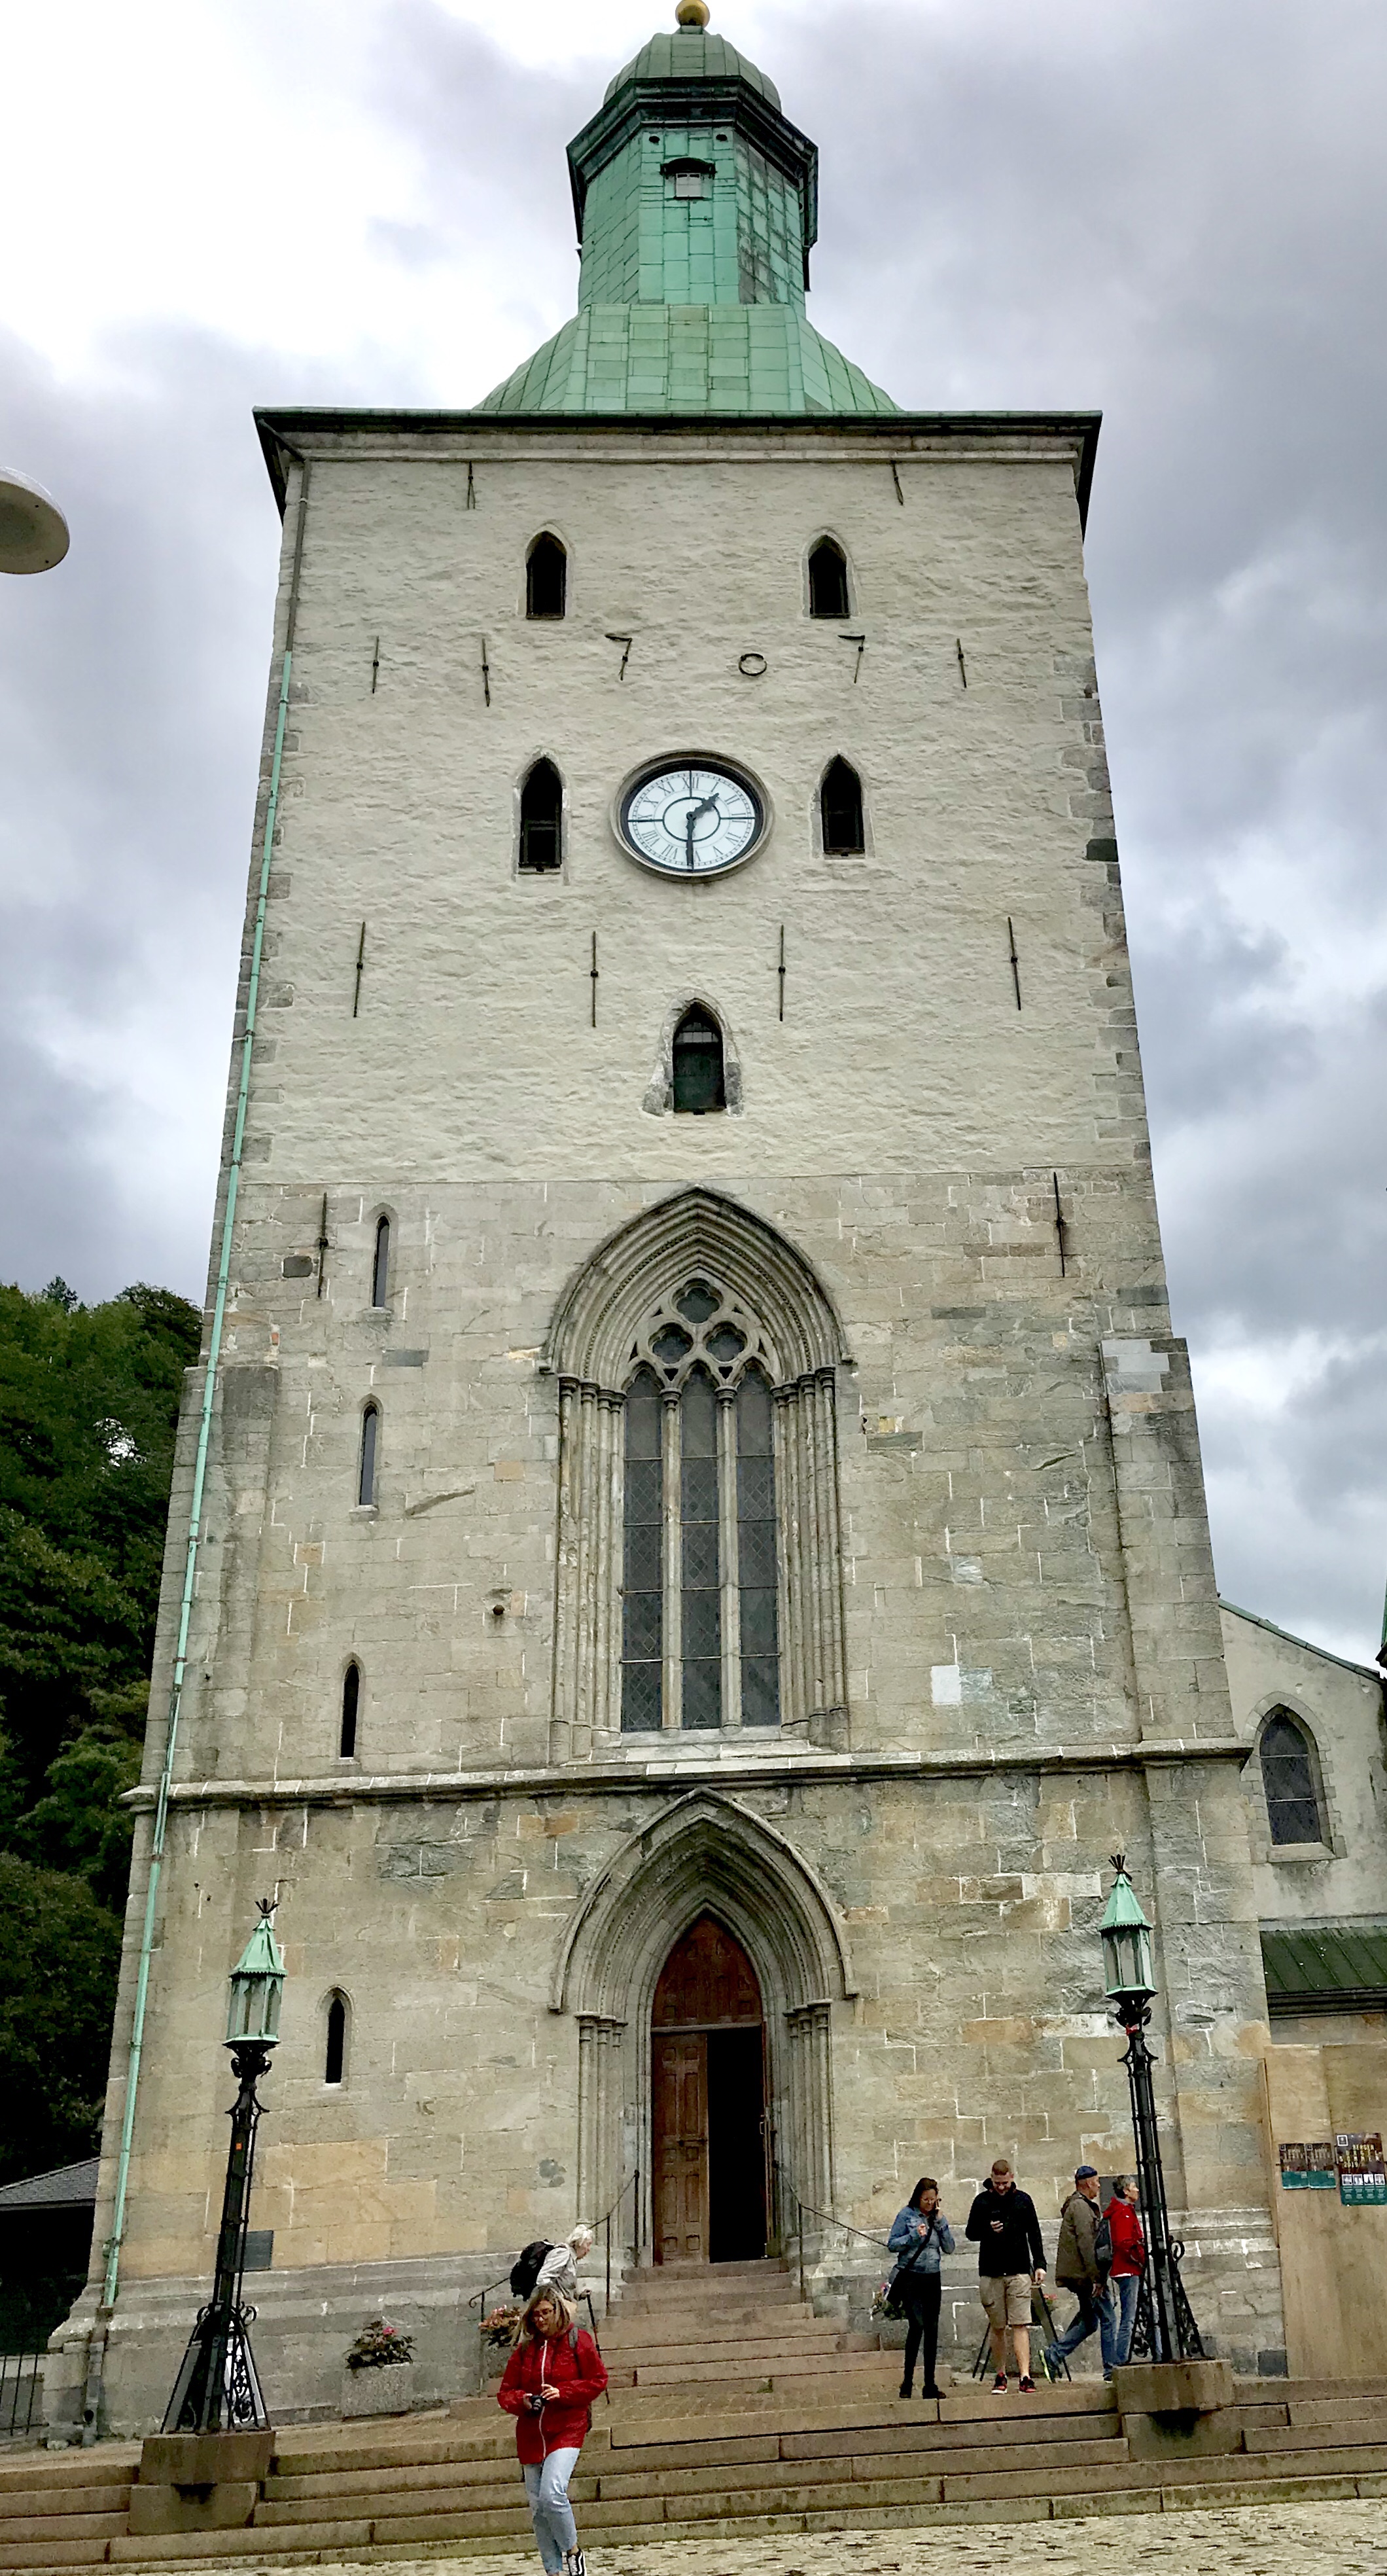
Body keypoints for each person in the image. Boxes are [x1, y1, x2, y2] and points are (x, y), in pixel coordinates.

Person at [498, 2286, 607, 2576]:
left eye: (546, 2313)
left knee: (552, 2494)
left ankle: (573, 2552)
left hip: (568, 2428)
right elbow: (505, 2392)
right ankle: (553, 2570)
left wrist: (564, 2392)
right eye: (536, 2315)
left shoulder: (577, 2340)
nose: (541, 2319)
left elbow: (598, 2380)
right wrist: (523, 2400)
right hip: (531, 2434)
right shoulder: (525, 2350)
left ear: (557, 2312)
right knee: (538, 2510)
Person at [964, 2156, 1045, 2392]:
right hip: (991, 2271)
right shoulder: (982, 2201)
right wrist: (987, 2229)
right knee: (998, 2325)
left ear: (1012, 2178)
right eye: (997, 2183)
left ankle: (1024, 2375)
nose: (1001, 2187)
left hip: (1018, 2269)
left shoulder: (1023, 2200)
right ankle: (1000, 2374)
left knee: (1020, 2324)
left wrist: (1039, 2264)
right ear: (992, 2179)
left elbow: (1034, 2233)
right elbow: (971, 2232)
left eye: (1005, 2183)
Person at [887, 2177, 955, 2399]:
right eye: (926, 2200)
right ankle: (907, 2381)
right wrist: (913, 2236)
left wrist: (941, 2223)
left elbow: (950, 2248)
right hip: (911, 2276)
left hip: (932, 2277)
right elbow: (892, 2244)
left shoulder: (937, 2219)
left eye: (933, 2200)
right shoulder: (906, 2215)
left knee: (932, 2329)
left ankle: (929, 2384)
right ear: (918, 2198)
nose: (929, 2204)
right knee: (917, 2325)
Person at [1043, 2165, 1110, 2378]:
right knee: (1109, 2319)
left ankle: (1053, 2355)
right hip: (1086, 2277)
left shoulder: (1080, 2205)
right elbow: (1087, 2244)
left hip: (1082, 2276)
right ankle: (1111, 2370)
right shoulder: (1081, 2207)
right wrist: (1097, 2278)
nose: (1099, 2186)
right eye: (1096, 2182)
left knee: (1089, 2322)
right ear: (1088, 2183)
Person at [1104, 2175, 1145, 2375]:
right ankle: (1119, 2362)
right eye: (1134, 2187)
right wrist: (1140, 2256)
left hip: (1130, 2269)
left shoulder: (1125, 2210)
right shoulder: (1123, 2212)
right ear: (1126, 2191)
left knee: (1147, 2312)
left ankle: (1159, 2351)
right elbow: (1124, 2243)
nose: (1137, 2190)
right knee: (1128, 2319)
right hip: (1128, 2269)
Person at [535, 2228, 595, 2302]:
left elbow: (564, 2286)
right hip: (555, 2306)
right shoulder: (563, 2253)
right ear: (579, 2242)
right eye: (588, 2244)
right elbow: (543, 2278)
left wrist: (579, 2295)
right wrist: (553, 2298)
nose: (589, 2249)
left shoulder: (572, 2258)